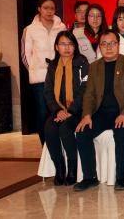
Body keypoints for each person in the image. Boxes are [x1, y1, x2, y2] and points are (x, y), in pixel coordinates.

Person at [73, 31, 124, 191]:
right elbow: (89, 95)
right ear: (100, 47)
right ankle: (90, 177)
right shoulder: (94, 66)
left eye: (112, 43)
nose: (108, 47)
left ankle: (121, 178)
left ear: (118, 45)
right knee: (82, 132)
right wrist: (86, 115)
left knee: (121, 133)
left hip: (122, 111)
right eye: (104, 44)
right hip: (101, 113)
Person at [42, 30, 89, 186]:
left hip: (77, 110)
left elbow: (85, 90)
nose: (67, 48)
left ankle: (72, 169)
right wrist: (57, 111)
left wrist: (71, 111)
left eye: (70, 44)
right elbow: (48, 92)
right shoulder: (53, 66)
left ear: (75, 46)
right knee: (49, 129)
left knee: (65, 129)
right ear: (56, 47)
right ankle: (59, 168)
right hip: (59, 110)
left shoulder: (82, 63)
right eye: (63, 44)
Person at [22, 0, 67, 144]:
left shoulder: (61, 27)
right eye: (46, 8)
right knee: (43, 112)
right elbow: (25, 55)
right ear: (39, 9)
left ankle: (59, 144)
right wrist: (34, 70)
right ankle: (45, 146)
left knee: (60, 110)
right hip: (39, 79)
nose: (49, 11)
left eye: (52, 8)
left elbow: (67, 50)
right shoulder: (30, 29)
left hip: (59, 76)